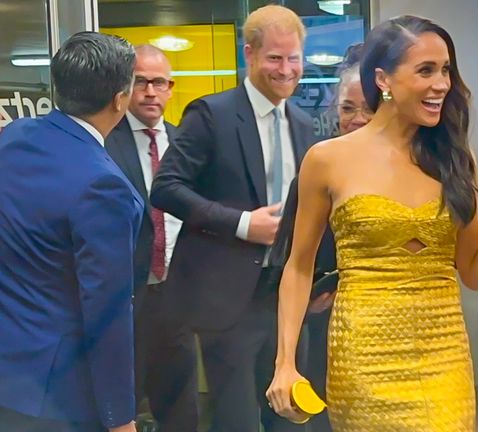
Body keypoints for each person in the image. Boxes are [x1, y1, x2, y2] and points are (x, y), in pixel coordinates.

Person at [266, 15, 478, 431]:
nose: (441, 84)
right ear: (383, 79)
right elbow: (298, 267)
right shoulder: (328, 160)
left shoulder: (454, 160)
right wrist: (285, 363)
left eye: (445, 70)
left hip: (445, 357)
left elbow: (473, 273)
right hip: (363, 356)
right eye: (426, 70)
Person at [150, 5, 317, 432]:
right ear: (250, 54)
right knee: (236, 419)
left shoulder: (303, 124)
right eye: (275, 58)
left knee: (291, 416)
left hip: (286, 297)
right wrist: (243, 224)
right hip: (229, 301)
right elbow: (166, 188)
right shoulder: (212, 114)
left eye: (293, 58)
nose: (286, 70)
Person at [0, 32, 140, 432]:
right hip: (59, 397)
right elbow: (107, 311)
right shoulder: (104, 187)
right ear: (119, 98)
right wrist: (120, 417)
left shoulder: (15, 137)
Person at [268, 43, 370, 432]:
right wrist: (307, 305)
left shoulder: (418, 175)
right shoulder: (316, 172)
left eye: (368, 109)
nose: (357, 120)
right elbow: (289, 264)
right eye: (347, 109)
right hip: (325, 334)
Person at [105, 44, 198, 431]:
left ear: (171, 88)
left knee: (181, 407)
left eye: (159, 83)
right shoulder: (105, 143)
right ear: (125, 88)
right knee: (122, 403)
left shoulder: (186, 143)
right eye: (140, 82)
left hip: (178, 296)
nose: (150, 92)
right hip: (127, 297)